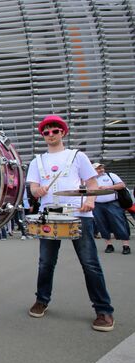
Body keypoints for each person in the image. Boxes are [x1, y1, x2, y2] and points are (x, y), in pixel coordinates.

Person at [26, 115, 115, 332]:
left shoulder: (77, 156)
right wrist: (37, 191)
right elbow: (33, 188)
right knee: (45, 262)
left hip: (78, 214)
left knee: (90, 262)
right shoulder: (37, 161)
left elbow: (92, 183)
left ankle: (104, 310)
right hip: (49, 214)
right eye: (46, 132)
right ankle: (42, 300)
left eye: (54, 131)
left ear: (63, 132)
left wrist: (90, 201)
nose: (50, 135)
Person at [92, 162, 131, 255]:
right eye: (98, 168)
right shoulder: (90, 179)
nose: (101, 169)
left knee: (119, 222)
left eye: (102, 168)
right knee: (102, 224)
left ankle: (126, 245)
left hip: (112, 203)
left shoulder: (111, 175)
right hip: (97, 204)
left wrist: (108, 187)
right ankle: (109, 245)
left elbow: (122, 185)